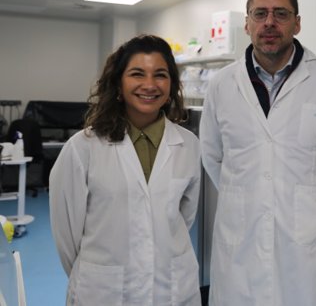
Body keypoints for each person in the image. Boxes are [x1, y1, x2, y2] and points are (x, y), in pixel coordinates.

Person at [200, 0, 316, 306]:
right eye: (260, 14)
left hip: (307, 250)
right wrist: (251, 193)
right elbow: (213, 157)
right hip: (240, 245)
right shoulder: (222, 85)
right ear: (246, 23)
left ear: (297, 24)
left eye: (281, 14)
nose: (269, 22)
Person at [49, 34, 202, 305]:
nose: (149, 85)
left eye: (160, 75)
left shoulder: (188, 145)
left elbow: (182, 218)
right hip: (103, 291)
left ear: (171, 86)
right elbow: (66, 232)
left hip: (171, 287)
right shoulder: (83, 148)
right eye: (137, 74)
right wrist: (96, 273)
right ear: (118, 84)